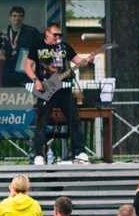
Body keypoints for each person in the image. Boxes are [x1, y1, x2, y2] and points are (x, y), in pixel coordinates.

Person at [23, 20, 97, 164]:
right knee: (42, 122)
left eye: (60, 35)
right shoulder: (38, 46)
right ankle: (38, 154)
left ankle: (80, 152)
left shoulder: (64, 47)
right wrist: (36, 81)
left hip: (64, 89)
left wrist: (88, 60)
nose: (58, 37)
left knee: (74, 120)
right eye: (55, 34)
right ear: (47, 33)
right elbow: (27, 66)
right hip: (45, 88)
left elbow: (78, 61)